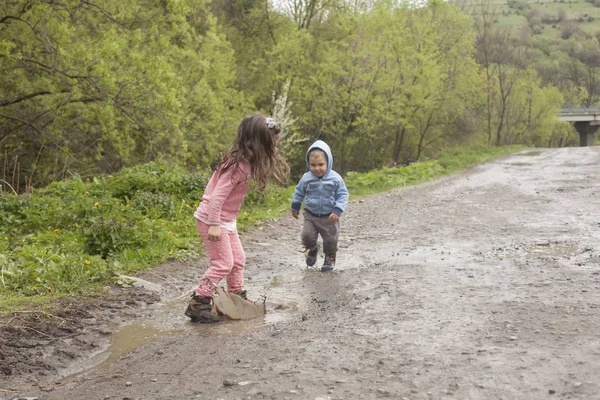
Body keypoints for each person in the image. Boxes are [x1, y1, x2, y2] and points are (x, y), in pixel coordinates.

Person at [185, 114, 288, 323]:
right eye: (271, 143)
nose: (274, 148)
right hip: (211, 220)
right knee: (223, 263)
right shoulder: (238, 166)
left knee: (238, 260)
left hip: (226, 221)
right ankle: (199, 301)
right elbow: (216, 197)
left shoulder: (246, 163)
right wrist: (214, 224)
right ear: (258, 143)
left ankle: (236, 295)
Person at [291, 140, 349, 272]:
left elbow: (343, 194)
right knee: (307, 236)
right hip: (310, 214)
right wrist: (295, 207)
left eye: (321, 164)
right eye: (313, 165)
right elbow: (299, 192)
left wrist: (338, 209)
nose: (317, 168)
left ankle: (330, 257)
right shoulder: (306, 178)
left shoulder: (335, 178)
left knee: (330, 240)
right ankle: (312, 249)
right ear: (308, 163)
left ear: (328, 162)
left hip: (329, 216)